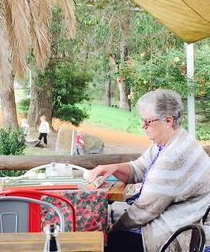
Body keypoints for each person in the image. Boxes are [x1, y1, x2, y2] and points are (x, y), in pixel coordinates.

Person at [88, 89, 210, 252]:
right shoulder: (170, 141)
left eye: (147, 122)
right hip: (169, 224)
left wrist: (110, 228)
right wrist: (114, 168)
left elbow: (143, 211)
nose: (142, 126)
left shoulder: (174, 156)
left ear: (168, 121)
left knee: (101, 241)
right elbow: (138, 168)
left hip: (172, 236)